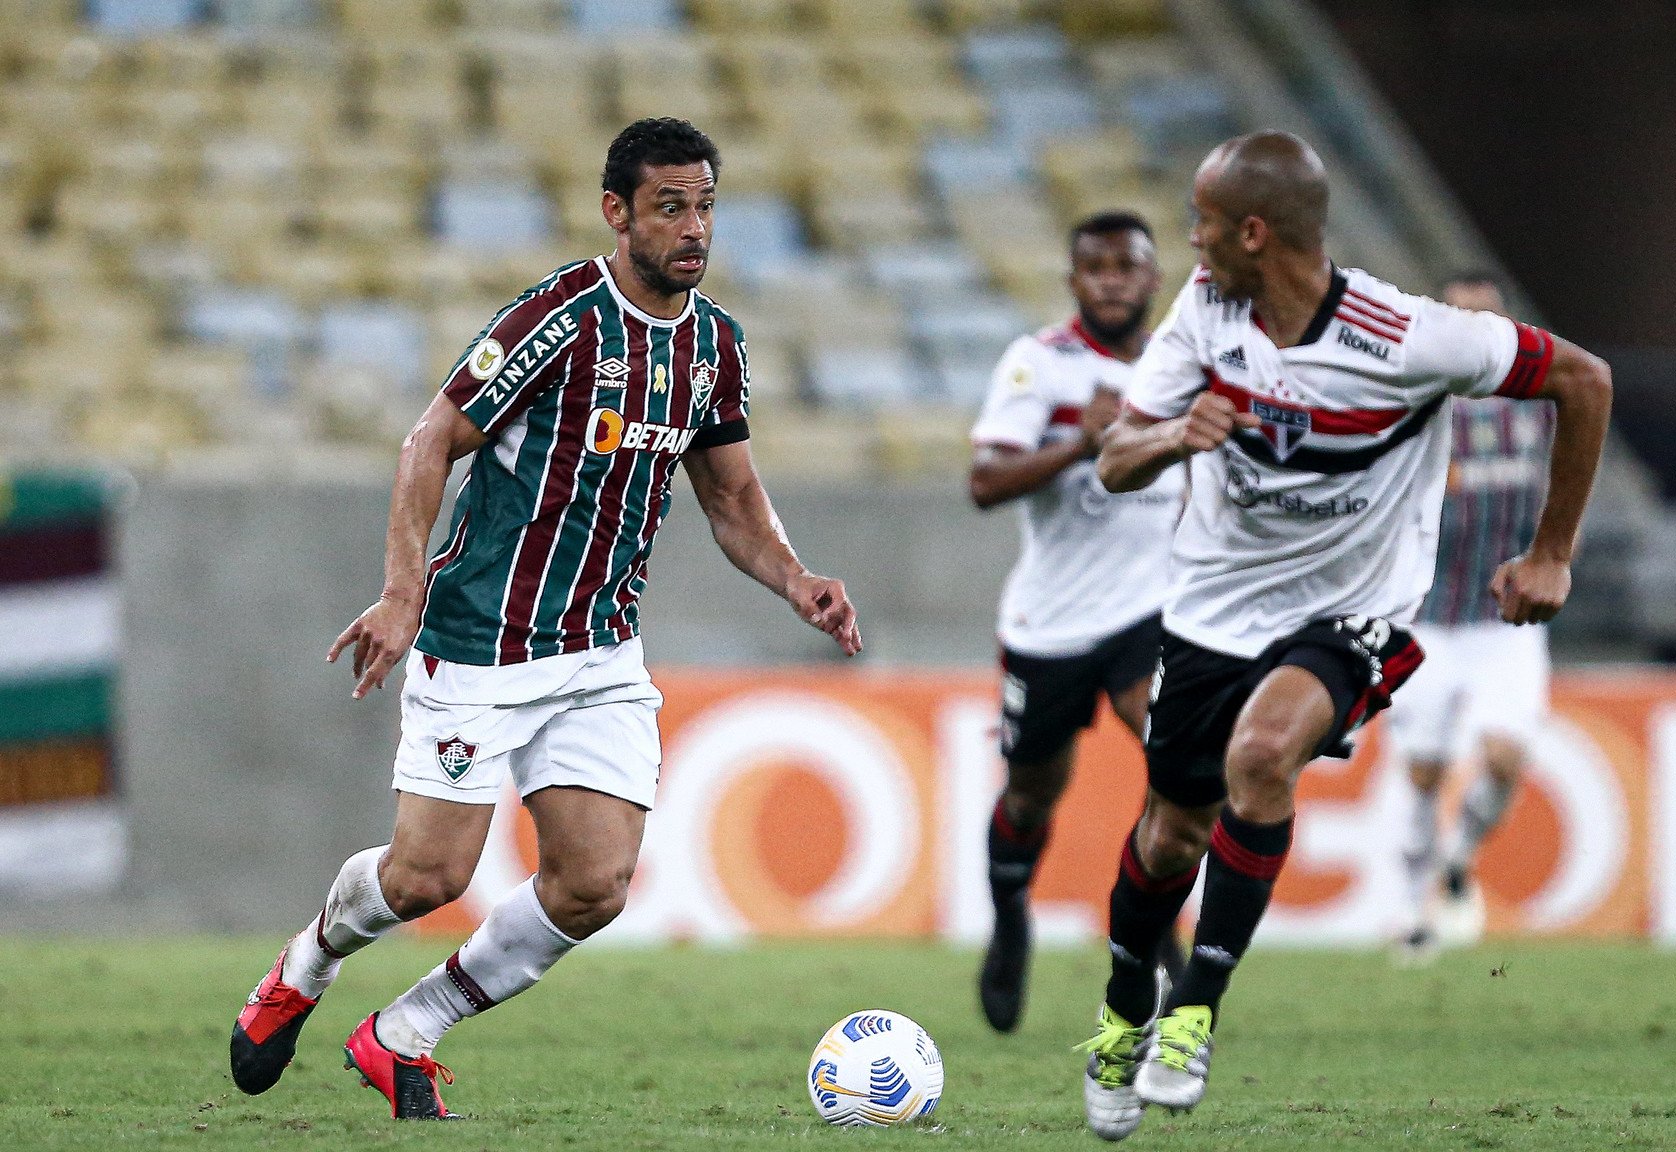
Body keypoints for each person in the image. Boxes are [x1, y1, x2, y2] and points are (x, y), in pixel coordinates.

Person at [227, 118, 862, 1120]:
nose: (693, 228)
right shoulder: (559, 319)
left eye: (704, 206)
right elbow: (430, 439)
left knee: (594, 885)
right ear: (618, 213)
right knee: (427, 877)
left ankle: (404, 1032)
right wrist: (401, 593)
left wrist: (796, 579)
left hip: (599, 652)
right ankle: (304, 965)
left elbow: (733, 499)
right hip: (481, 641)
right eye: (669, 207)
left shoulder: (714, 346)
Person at [1074, 131, 1612, 1140]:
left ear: (1253, 231)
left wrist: (1551, 553)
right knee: (1171, 832)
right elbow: (1113, 459)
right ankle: (1123, 1007)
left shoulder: (1410, 337)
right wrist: (1173, 436)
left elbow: (1583, 380)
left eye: (1201, 222)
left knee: (1262, 755)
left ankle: (1193, 1015)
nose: (1189, 242)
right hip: (1212, 610)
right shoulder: (1204, 311)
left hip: (1350, 611)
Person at [966, 211, 1185, 1034]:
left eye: (1126, 267)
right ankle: (1009, 919)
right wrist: (1080, 445)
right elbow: (984, 483)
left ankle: (1156, 932)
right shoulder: (1040, 364)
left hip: (1151, 612)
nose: (1112, 281)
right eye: (1096, 268)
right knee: (1030, 796)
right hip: (1051, 620)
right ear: (1074, 281)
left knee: (1178, 763)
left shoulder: (1182, 366)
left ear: (1152, 278)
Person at [1386, 273, 1556, 962]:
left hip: (1503, 619)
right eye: (1462, 319)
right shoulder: (1411, 404)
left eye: (1489, 319)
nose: (1477, 335)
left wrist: (1555, 552)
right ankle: (1411, 910)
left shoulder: (1540, 405)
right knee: (1423, 773)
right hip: (1426, 615)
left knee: (1505, 757)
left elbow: (1568, 474)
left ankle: (1457, 860)